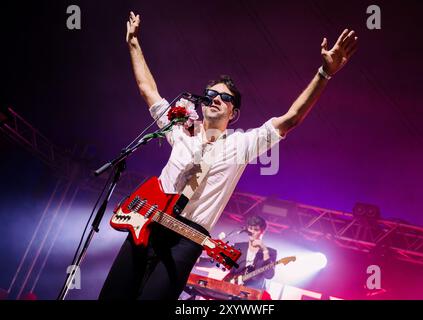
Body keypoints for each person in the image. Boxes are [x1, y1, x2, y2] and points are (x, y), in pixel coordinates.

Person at [99, 11, 358, 300]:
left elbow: (291, 118)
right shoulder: (181, 128)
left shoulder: (243, 144)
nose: (216, 99)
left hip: (186, 240)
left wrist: (324, 74)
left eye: (225, 97)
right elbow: (148, 90)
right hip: (147, 223)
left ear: (233, 113)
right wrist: (134, 42)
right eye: (211, 94)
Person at [223, 216, 277, 290]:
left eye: (256, 229)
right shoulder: (238, 246)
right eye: (250, 229)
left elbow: (269, 275)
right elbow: (218, 262)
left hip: (253, 292)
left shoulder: (271, 252)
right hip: (232, 288)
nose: (252, 232)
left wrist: (264, 251)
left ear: (263, 231)